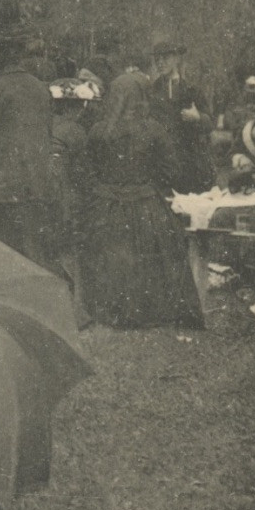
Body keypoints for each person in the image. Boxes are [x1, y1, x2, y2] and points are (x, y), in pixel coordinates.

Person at [82, 70, 204, 329]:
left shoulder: (98, 131)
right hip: (145, 204)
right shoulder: (153, 130)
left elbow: (88, 169)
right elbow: (172, 171)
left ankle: (110, 309)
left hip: (106, 206)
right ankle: (150, 310)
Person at [0, 29, 59, 269]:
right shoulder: (41, 89)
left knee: (0, 268)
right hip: (38, 193)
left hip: (1, 198)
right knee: (33, 266)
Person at [49, 77, 101, 323]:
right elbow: (83, 174)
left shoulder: (42, 125)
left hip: (41, 195)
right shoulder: (75, 131)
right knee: (72, 253)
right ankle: (76, 312)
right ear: (72, 107)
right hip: (66, 198)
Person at [147, 40, 215, 194]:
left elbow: (210, 123)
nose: (161, 62)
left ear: (176, 58)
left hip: (189, 162)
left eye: (165, 57)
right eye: (157, 59)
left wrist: (198, 118)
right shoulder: (151, 91)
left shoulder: (192, 89)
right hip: (161, 163)